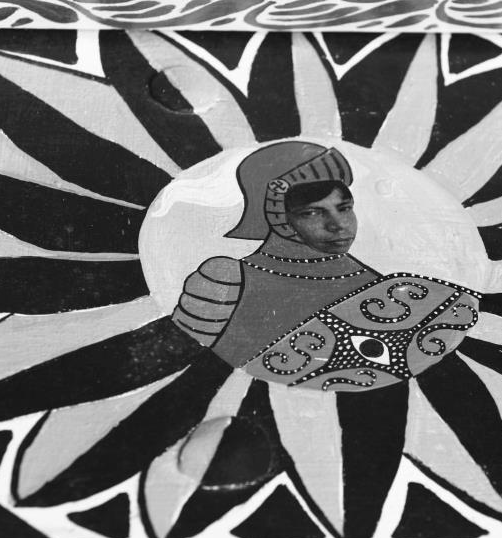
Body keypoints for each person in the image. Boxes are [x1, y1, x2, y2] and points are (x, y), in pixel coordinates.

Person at [172, 141, 479, 391]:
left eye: (344, 208)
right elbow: (194, 371)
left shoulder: (380, 287)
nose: (338, 225)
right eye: (312, 213)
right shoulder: (225, 280)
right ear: (279, 217)